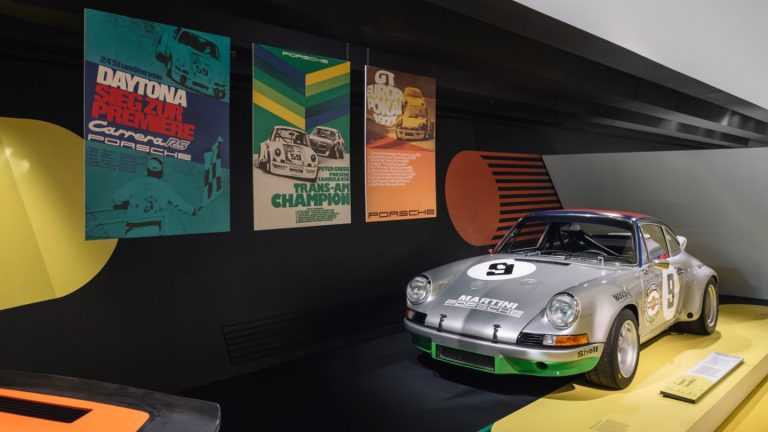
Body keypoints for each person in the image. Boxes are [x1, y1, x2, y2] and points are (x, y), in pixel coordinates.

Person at [112, 156, 199, 237]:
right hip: (152, 229)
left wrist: (123, 204)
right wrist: (193, 210)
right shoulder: (165, 188)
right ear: (161, 171)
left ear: (147, 170)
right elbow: (179, 203)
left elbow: (117, 197)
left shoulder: (133, 184)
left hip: (132, 229)